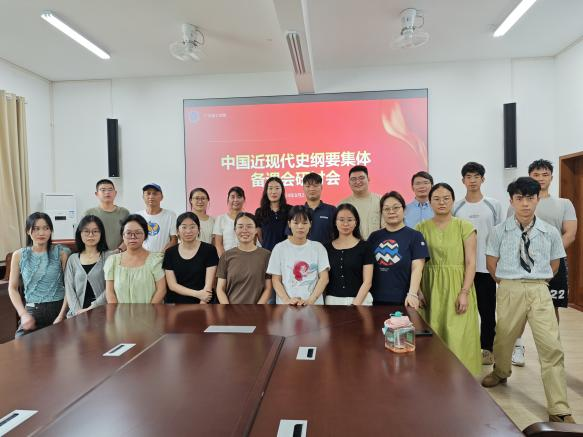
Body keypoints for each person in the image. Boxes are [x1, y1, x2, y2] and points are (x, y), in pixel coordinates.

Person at [482, 177, 574, 424]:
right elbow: (491, 263)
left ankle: (559, 407)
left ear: (537, 200)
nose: (525, 203)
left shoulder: (551, 232)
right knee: (504, 338)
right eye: (519, 198)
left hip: (539, 289)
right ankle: (501, 371)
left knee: (551, 346)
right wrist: (508, 283)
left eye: (530, 198)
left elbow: (555, 265)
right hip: (509, 287)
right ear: (511, 201)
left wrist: (536, 282)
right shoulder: (499, 231)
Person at [509, 159, 578, 367]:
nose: (540, 178)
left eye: (545, 174)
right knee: (520, 307)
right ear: (529, 176)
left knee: (551, 306)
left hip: (553, 264)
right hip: (523, 264)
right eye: (536, 175)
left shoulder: (564, 204)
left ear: (551, 177)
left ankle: (550, 348)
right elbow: (510, 233)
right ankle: (518, 347)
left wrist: (549, 255)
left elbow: (570, 233)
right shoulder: (519, 202)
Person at [416, 183, 481, 376]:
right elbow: (416, 263)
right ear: (430, 202)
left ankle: (460, 378)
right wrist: (418, 290)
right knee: (433, 331)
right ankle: (434, 376)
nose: (441, 202)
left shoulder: (465, 227)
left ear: (453, 200)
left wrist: (464, 292)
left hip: (457, 286)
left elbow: (471, 262)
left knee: (458, 333)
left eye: (446, 198)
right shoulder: (420, 228)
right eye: (436, 199)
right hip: (430, 287)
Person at [453, 162, 503, 366]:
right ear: (462, 180)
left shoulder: (493, 205)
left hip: (486, 267)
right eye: (468, 177)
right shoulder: (456, 207)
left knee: (487, 310)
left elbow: (500, 235)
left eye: (476, 176)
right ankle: (463, 347)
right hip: (462, 268)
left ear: (483, 179)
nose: (472, 181)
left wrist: (497, 264)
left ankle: (487, 349)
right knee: (461, 309)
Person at [8, 212, 70, 337]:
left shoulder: (62, 253)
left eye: (46, 228)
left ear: (51, 230)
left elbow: (70, 287)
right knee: (20, 344)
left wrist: (62, 315)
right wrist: (23, 314)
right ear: (28, 231)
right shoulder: (19, 255)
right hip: (32, 311)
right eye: (36, 228)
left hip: (59, 309)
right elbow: (12, 288)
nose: (41, 233)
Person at [368, 191, 428, 307]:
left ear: (404, 210)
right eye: (386, 209)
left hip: (404, 300)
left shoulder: (415, 236)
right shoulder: (374, 237)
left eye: (396, 207)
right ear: (382, 213)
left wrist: (413, 293)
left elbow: (417, 268)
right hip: (373, 300)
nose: (391, 212)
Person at [267, 206, 330, 305]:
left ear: (310, 224)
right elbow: (276, 280)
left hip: (314, 307)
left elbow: (324, 278)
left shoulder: (318, 248)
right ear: (289, 224)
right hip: (286, 307)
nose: (300, 227)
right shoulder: (279, 248)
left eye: (304, 223)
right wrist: (287, 300)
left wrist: (310, 301)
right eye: (296, 223)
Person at [104, 214, 166, 303]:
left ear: (145, 235)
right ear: (123, 236)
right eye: (128, 233)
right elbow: (110, 292)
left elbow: (161, 290)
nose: (133, 237)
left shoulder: (155, 260)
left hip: (150, 311)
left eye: (138, 233)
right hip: (120, 311)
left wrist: (149, 310)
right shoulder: (112, 261)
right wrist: (116, 311)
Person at [163, 212, 218, 304]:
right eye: (184, 227)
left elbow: (209, 285)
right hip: (175, 303)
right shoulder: (170, 253)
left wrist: (202, 303)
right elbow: (172, 285)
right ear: (177, 231)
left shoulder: (209, 250)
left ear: (198, 229)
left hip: (203, 301)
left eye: (192, 227)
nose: (188, 231)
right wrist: (198, 294)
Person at [216, 213, 272, 304]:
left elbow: (268, 288)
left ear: (256, 230)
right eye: (240, 227)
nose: (245, 230)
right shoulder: (226, 256)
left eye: (249, 226)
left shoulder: (266, 255)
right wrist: (228, 309)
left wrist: (257, 309)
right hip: (230, 310)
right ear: (235, 230)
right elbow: (220, 289)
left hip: (258, 310)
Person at [325, 204, 374, 305]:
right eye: (341, 220)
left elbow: (367, 281)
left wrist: (355, 305)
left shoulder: (365, 247)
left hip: (361, 301)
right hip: (333, 302)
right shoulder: (326, 248)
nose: (345, 224)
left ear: (356, 222)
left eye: (350, 220)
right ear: (335, 222)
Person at [65, 215, 112, 317]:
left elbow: (110, 288)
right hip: (76, 315)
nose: (91, 235)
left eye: (95, 231)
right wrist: (77, 311)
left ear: (101, 234)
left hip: (102, 313)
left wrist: (91, 309)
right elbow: (69, 289)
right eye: (86, 231)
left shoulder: (109, 257)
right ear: (80, 233)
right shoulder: (72, 259)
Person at [84, 179, 129, 250]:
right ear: (97, 194)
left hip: (120, 253)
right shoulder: (89, 213)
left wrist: (119, 250)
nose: (107, 192)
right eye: (103, 190)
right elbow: (84, 236)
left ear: (115, 193)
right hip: (97, 254)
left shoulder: (124, 213)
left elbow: (129, 235)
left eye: (110, 190)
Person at [338, 165, 382, 240]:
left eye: (361, 178)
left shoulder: (381, 200)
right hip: (352, 245)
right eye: (353, 179)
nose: (357, 182)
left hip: (378, 244)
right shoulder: (342, 205)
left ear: (368, 179)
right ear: (349, 182)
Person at [136, 183, 178, 253]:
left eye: (155, 194)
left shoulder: (170, 215)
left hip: (163, 256)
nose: (151, 196)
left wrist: (160, 255)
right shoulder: (137, 216)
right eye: (148, 193)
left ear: (162, 197)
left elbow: (174, 239)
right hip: (141, 256)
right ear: (143, 197)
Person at [255, 177, 290, 251]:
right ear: (266, 191)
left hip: (286, 252)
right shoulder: (260, 212)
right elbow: (259, 236)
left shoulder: (290, 210)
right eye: (270, 188)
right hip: (267, 253)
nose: (273, 192)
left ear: (282, 191)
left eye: (277, 188)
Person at [303, 172, 336, 246]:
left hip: (327, 251)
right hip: (303, 252)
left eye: (315, 186)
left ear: (321, 187)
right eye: (308, 186)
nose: (312, 189)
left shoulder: (332, 210)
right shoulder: (298, 211)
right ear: (303, 188)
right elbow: (291, 235)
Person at [213, 186, 246, 257]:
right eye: (232, 197)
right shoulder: (220, 219)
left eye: (239, 197)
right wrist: (224, 260)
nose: (236, 200)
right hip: (227, 258)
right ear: (228, 200)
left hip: (246, 258)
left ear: (244, 200)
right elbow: (218, 244)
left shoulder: (249, 218)